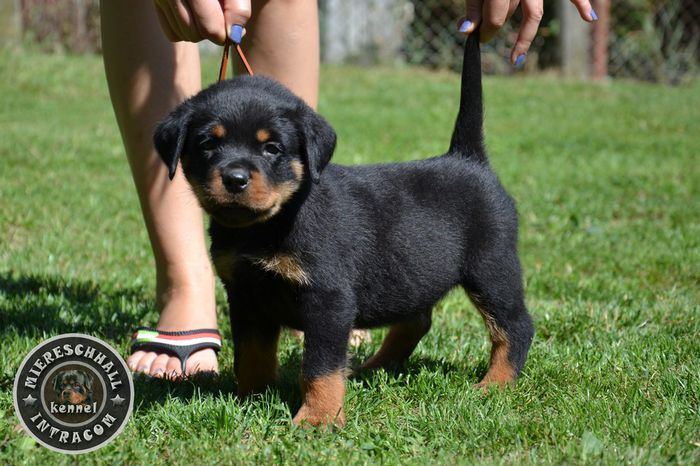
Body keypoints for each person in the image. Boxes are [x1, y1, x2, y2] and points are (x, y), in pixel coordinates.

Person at [100, 0, 595, 378]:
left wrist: (320, 401)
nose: (235, 173)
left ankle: (506, 359)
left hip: (447, 215)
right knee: (250, 299)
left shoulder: (468, 196)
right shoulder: (228, 234)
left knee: (337, 302)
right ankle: (188, 289)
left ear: (307, 157)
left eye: (271, 151)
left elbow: (328, 297)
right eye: (211, 146)